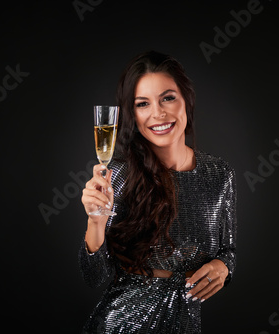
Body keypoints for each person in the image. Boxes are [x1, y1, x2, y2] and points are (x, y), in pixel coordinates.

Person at [79, 50, 237, 333]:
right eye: (142, 104)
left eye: (167, 97)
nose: (158, 113)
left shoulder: (219, 174)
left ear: (186, 100)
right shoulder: (118, 175)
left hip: (185, 323)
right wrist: (95, 222)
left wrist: (224, 268)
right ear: (133, 115)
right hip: (122, 324)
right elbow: (94, 277)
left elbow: (228, 250)